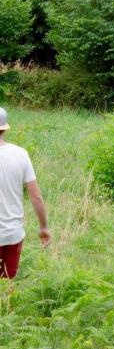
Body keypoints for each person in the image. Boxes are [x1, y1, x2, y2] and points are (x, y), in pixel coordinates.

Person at [0, 107, 50, 279]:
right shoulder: (20, 154)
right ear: (5, 128)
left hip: (11, 234)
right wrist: (43, 227)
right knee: (6, 284)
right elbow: (36, 197)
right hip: (12, 234)